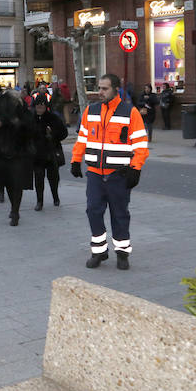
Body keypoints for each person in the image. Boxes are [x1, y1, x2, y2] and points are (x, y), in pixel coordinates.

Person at [70, 73, 149, 271]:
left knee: (119, 214)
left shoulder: (130, 112)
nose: (100, 92)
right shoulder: (91, 110)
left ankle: (122, 253)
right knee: (93, 212)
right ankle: (99, 252)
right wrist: (75, 160)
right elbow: (83, 138)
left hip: (119, 175)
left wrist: (136, 168)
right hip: (95, 174)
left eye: (104, 88)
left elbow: (140, 144)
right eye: (99, 87)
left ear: (116, 89)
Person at [0, 90, 35, 226]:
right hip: (3, 152)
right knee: (7, 183)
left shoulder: (23, 112)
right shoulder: (1, 112)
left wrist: (19, 124)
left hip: (19, 153)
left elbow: (31, 129)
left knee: (17, 184)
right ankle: (14, 207)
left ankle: (15, 211)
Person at [30, 96, 67, 211]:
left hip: (51, 153)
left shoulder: (53, 118)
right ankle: (39, 201)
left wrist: (53, 134)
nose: (39, 109)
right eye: (37, 106)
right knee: (39, 178)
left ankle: (55, 197)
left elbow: (63, 133)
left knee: (53, 178)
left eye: (41, 106)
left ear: (46, 107)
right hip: (37, 154)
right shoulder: (32, 118)